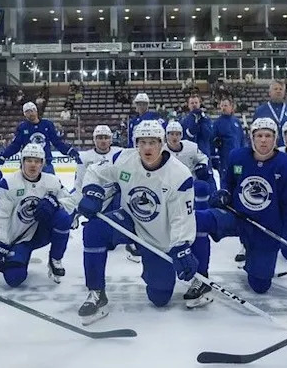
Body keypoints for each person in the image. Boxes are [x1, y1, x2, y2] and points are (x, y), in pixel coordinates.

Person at [76, 120, 208, 322]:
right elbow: (94, 171)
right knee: (93, 230)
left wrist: (181, 245)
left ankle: (165, 275)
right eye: (142, 142)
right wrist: (91, 191)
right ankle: (96, 293)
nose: (147, 147)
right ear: (135, 143)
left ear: (162, 143)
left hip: (159, 235)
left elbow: (182, 217)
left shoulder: (179, 175)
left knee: (160, 297)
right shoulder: (123, 159)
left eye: (153, 142)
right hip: (130, 220)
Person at [194, 117, 287, 294]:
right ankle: (200, 276)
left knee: (259, 286)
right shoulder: (237, 156)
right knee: (197, 220)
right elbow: (228, 183)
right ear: (252, 137)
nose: (263, 140)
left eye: (268, 135)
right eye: (259, 135)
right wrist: (224, 194)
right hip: (237, 217)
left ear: (275, 138)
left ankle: (254, 256)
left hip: (266, 227)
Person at [0, 144, 75, 286]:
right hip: (19, 238)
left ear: (43, 163)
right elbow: (0, 215)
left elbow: (71, 201)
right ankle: (12, 259)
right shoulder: (9, 182)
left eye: (37, 161)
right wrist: (1, 242)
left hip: (42, 233)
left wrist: (55, 202)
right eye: (29, 160)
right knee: (14, 279)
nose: (33, 165)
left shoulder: (52, 181)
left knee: (63, 218)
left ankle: (55, 259)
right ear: (22, 162)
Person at [0, 102, 80, 174]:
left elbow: (57, 142)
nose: (30, 113)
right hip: (27, 164)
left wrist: (69, 151)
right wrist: (4, 155)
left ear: (36, 111)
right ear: (24, 114)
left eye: (32, 110)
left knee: (52, 189)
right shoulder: (22, 127)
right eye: (27, 112)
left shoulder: (47, 124)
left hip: (45, 163)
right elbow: (15, 145)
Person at [73, 125, 122, 214]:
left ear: (111, 139)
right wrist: (77, 206)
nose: (103, 141)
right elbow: (79, 184)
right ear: (94, 140)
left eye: (106, 137)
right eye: (99, 138)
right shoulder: (84, 157)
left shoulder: (120, 153)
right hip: (94, 199)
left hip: (115, 198)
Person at [251, 80, 287, 148]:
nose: (278, 91)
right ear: (270, 92)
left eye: (281, 89)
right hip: (267, 151)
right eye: (275, 89)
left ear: (284, 92)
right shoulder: (260, 111)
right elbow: (254, 133)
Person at [211, 97, 246, 180]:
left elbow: (242, 139)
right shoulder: (217, 123)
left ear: (231, 107)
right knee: (226, 178)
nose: (223, 108)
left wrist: (243, 152)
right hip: (225, 158)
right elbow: (213, 140)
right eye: (222, 106)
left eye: (226, 105)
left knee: (238, 177)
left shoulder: (237, 121)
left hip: (238, 157)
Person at [180, 93, 213, 158]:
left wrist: (202, 120)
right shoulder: (184, 120)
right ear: (188, 105)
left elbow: (209, 135)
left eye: (196, 102)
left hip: (204, 153)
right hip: (189, 155)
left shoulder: (206, 119)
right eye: (192, 103)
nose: (194, 104)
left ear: (199, 104)